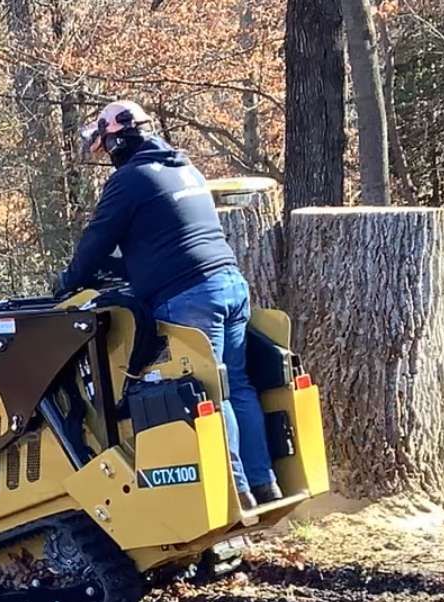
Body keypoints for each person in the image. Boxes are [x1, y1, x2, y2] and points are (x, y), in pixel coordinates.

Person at [51, 100, 281, 510]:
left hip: (191, 297)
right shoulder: (184, 168)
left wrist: (69, 281)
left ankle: (236, 490)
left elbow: (97, 239)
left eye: (106, 145)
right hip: (229, 284)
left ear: (118, 140)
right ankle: (264, 483)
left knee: (212, 391)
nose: (107, 156)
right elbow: (167, 241)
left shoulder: (130, 180)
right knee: (239, 385)